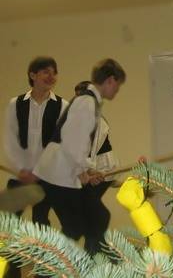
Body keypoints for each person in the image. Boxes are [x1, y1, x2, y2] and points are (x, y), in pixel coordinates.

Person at [34, 59, 125, 254]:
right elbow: (71, 142)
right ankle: (54, 265)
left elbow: (77, 145)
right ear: (110, 80)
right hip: (57, 173)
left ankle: (74, 262)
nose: (118, 90)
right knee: (88, 221)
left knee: (91, 220)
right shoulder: (86, 102)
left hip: (57, 171)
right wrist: (83, 172)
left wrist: (87, 170)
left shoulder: (88, 101)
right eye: (118, 85)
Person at [3, 56, 68, 278]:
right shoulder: (16, 104)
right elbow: (10, 139)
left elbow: (61, 144)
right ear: (33, 75)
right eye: (46, 72)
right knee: (9, 224)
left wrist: (42, 170)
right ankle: (12, 271)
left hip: (46, 178)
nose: (52, 76)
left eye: (54, 72)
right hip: (20, 176)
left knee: (41, 224)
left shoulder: (62, 106)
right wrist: (21, 168)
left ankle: (43, 272)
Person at [73, 80, 119, 255]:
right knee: (91, 212)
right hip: (93, 169)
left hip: (103, 170)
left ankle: (96, 253)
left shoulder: (98, 120)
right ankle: (97, 252)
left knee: (92, 211)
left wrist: (88, 173)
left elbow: (91, 151)